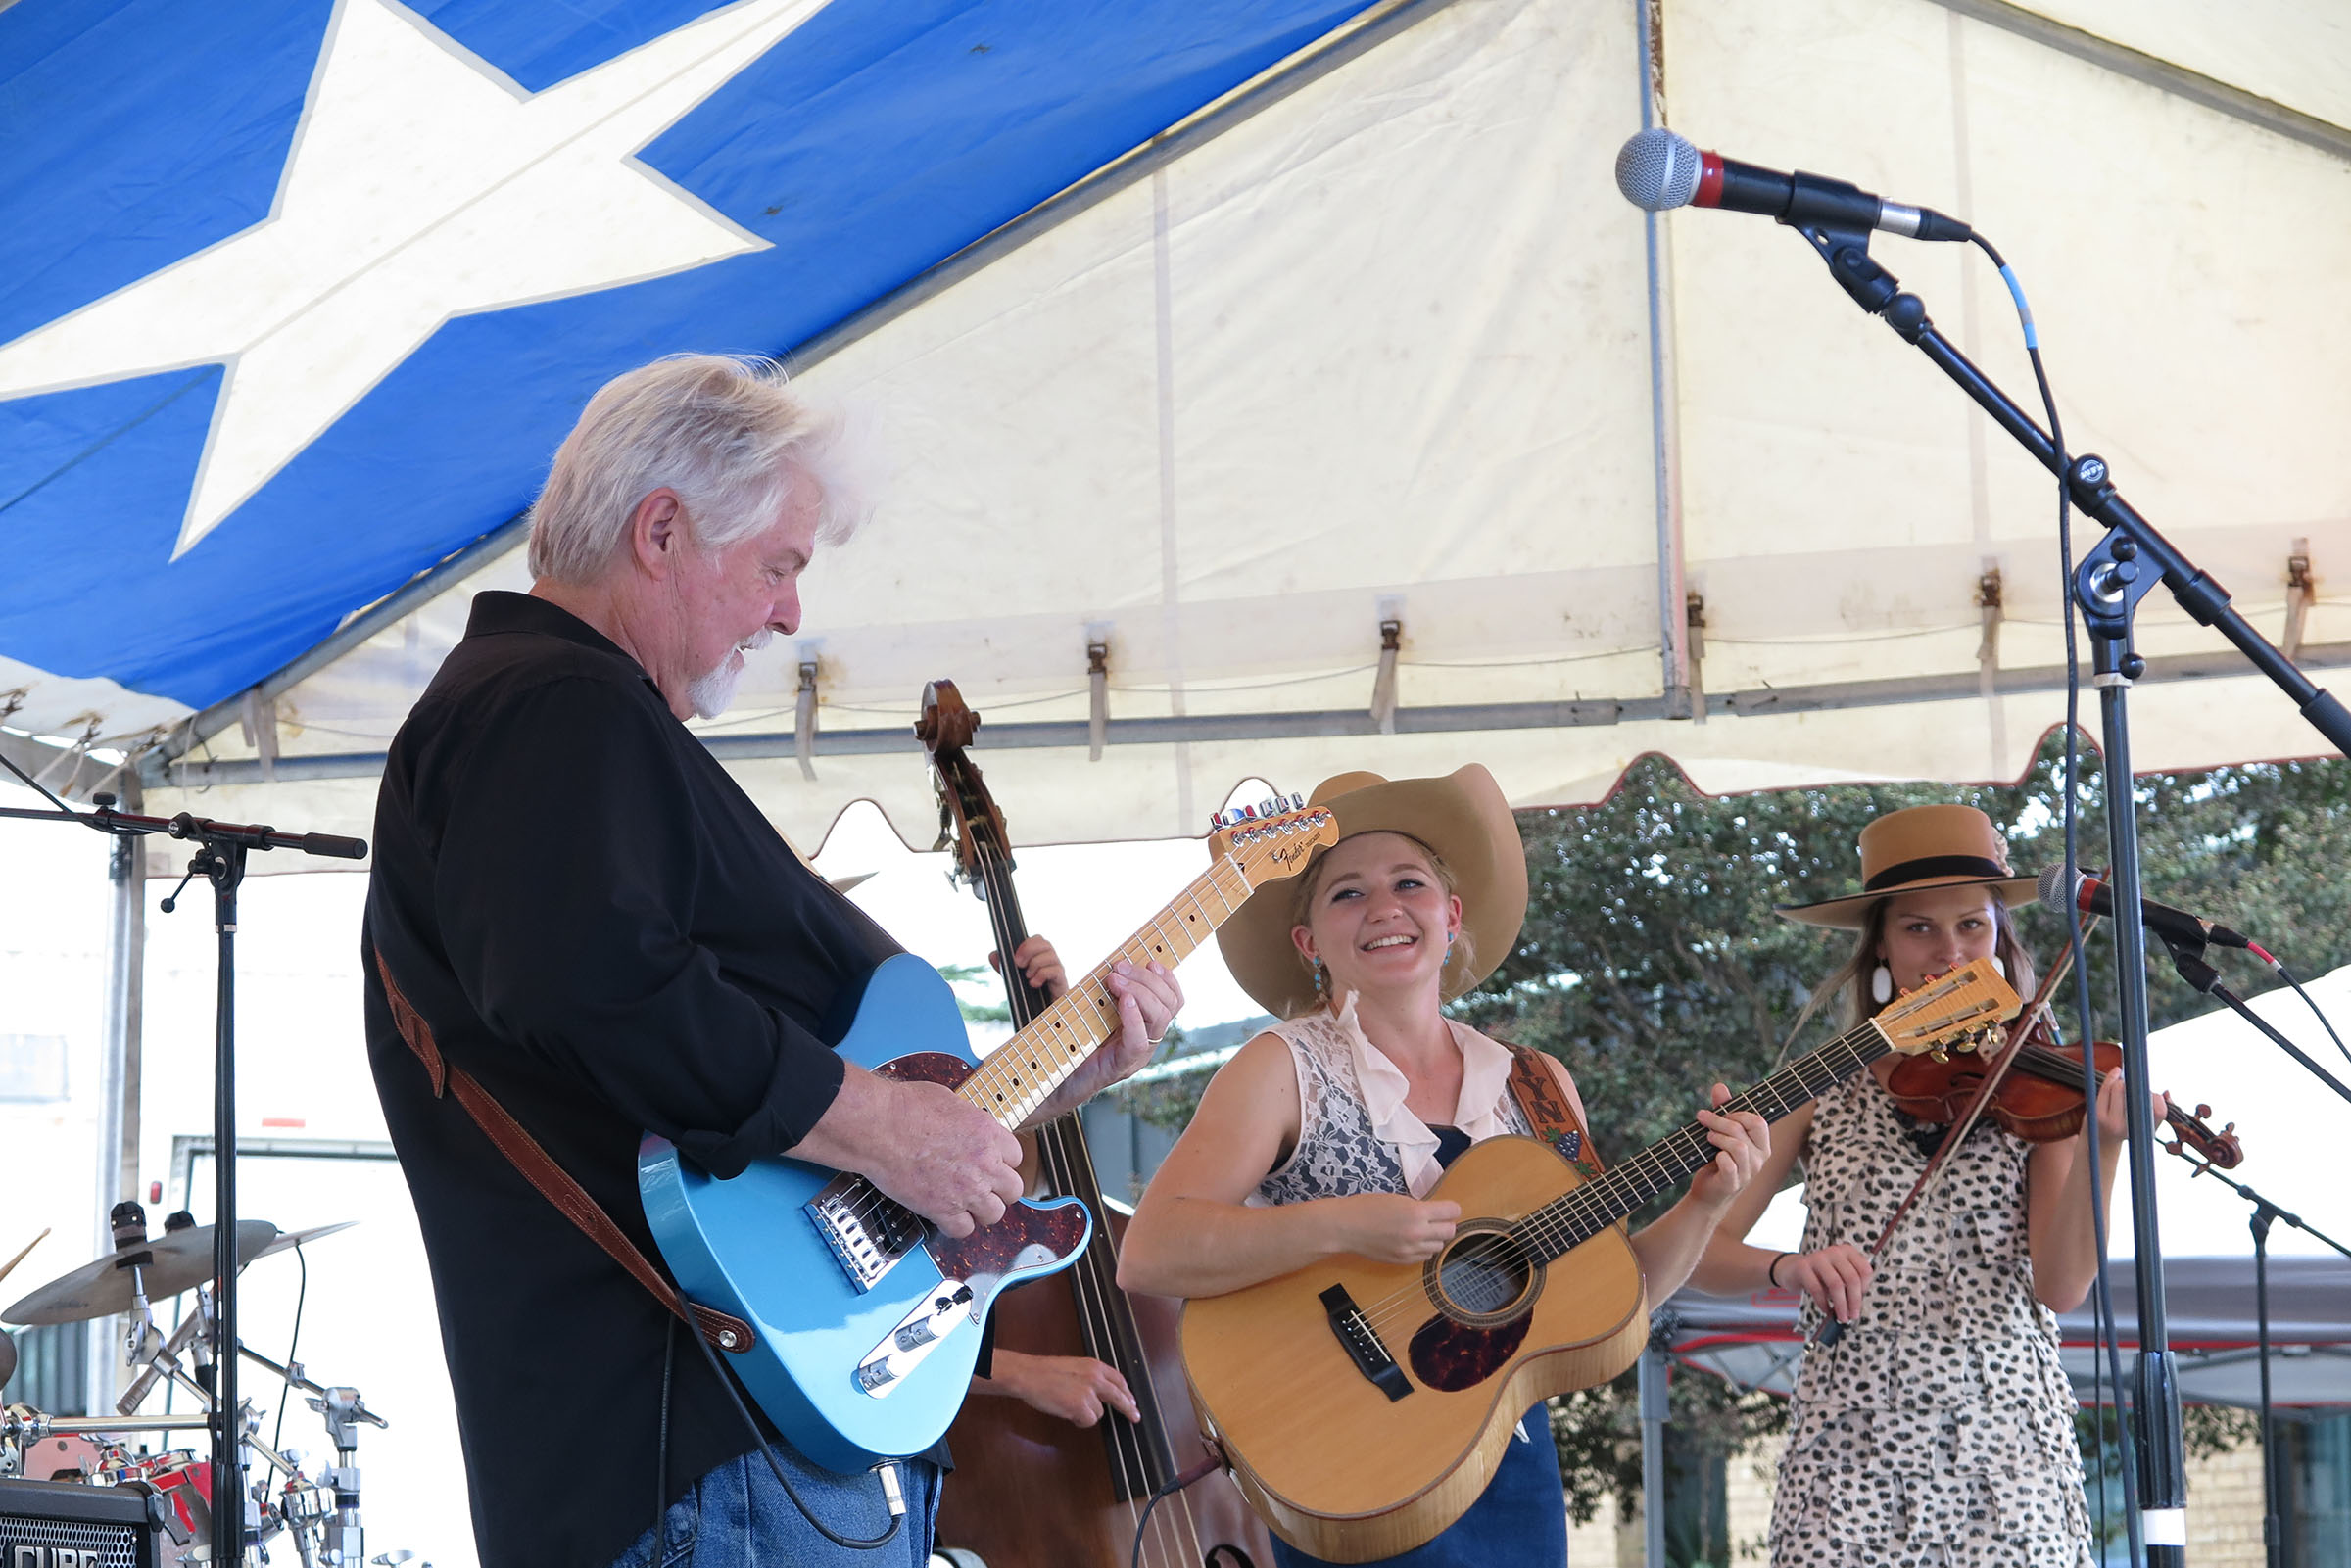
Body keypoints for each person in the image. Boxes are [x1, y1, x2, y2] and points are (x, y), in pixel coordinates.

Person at [361, 355, 1180, 1568]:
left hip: (748, 1446)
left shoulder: (572, 717)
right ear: (661, 530)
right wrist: (885, 1127)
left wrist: (1034, 1091)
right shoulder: (548, 704)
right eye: (780, 564)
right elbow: (593, 984)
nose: (791, 612)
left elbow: (758, 1094)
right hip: (694, 1452)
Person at [1117, 766, 1771, 1567]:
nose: (1385, 907)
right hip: (1346, 1462)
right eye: (1347, 893)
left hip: (1511, 1470)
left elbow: (1604, 1298)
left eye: (1409, 882)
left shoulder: (1538, 1084)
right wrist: (1343, 1224)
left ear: (1451, 913)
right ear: (1307, 941)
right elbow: (1151, 1248)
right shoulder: (1279, 1067)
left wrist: (1704, 1204)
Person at [1688, 803, 2167, 1567]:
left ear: (2000, 937)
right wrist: (1788, 1267)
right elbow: (1697, 1249)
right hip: (1851, 1446)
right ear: (1880, 944)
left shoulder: (2035, 1081)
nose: (1949, 951)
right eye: (1919, 928)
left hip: (2004, 1446)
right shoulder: (1821, 1087)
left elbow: (2064, 1284)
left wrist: (2104, 1148)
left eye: (1971, 926)